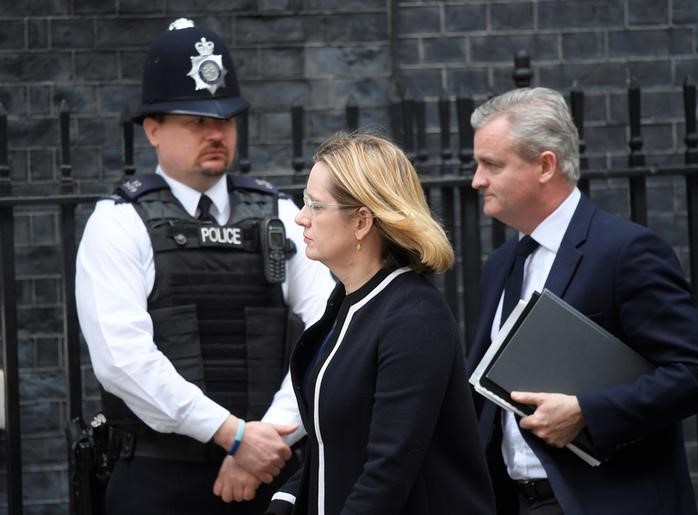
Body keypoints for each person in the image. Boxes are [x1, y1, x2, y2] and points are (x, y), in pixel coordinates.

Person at [75, 18, 335, 515]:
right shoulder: (118, 223)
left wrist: (266, 441)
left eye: (226, 119)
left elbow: (328, 328)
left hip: (274, 467)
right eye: (196, 121)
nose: (216, 133)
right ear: (153, 129)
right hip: (160, 475)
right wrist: (232, 435)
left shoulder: (281, 215)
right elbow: (123, 359)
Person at [465, 86, 698, 515]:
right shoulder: (502, 264)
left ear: (545, 165)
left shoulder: (625, 252)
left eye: (491, 164)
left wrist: (587, 411)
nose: (477, 179)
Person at [264, 132, 496, 515]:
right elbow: (334, 442)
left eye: (315, 206)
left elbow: (388, 470)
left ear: (361, 221)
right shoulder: (348, 304)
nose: (300, 217)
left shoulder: (414, 317)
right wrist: (287, 497)